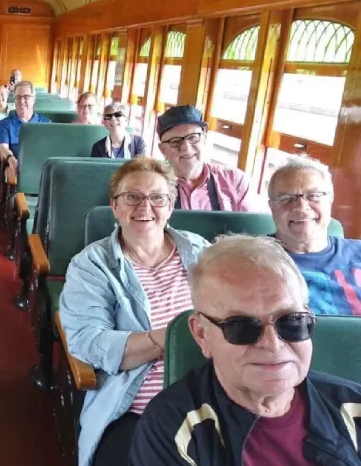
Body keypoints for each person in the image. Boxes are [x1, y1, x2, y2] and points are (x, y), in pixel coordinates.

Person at [130, 235, 361, 465]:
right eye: (241, 327)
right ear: (202, 334)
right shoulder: (170, 428)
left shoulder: (354, 407)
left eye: (291, 321)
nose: (272, 344)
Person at [59, 157, 210, 466]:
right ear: (115, 206)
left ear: (170, 206)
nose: (145, 207)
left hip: (215, 398)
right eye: (132, 197)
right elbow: (90, 343)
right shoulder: (91, 265)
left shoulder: (202, 253)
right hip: (136, 406)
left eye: (157, 198)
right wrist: (175, 338)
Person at [268, 159, 361, 315]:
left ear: (330, 200)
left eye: (313, 196)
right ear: (271, 207)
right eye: (286, 199)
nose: (301, 207)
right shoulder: (253, 260)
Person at [156, 105, 262, 211]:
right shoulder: (153, 185)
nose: (186, 148)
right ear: (162, 150)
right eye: (175, 141)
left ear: (204, 139)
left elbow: (252, 226)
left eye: (193, 137)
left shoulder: (235, 181)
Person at [0, 81, 51, 177]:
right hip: (17, 166)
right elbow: (3, 147)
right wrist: (11, 159)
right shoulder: (4, 124)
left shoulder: (46, 123)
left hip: (41, 169)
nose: (21, 101)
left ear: (33, 99)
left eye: (26, 97)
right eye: (18, 97)